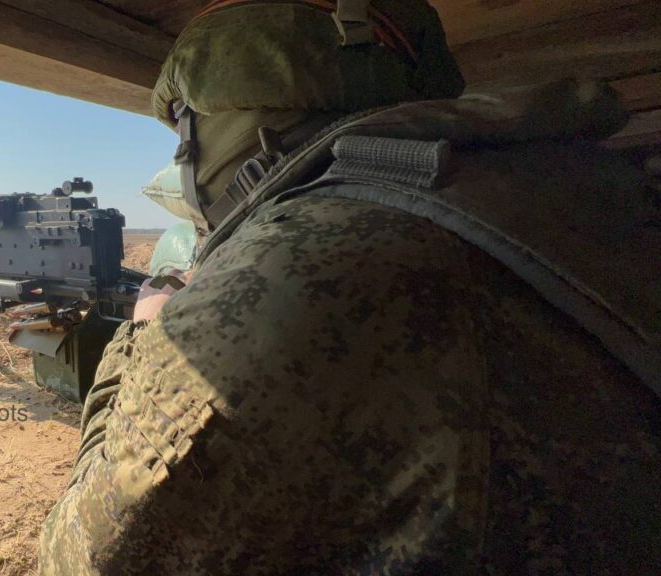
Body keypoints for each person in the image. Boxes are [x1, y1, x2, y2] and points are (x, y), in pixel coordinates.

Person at [39, 0, 661, 573]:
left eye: (184, 138)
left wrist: (144, 336)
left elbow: (80, 561)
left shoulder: (289, 281)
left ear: (233, 127)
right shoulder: (571, 189)